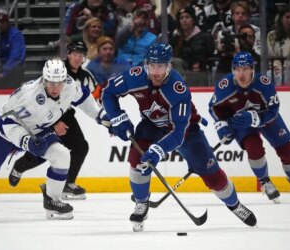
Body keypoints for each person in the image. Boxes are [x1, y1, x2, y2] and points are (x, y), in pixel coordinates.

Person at [102, 42, 257, 232]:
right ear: (146, 64)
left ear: (169, 66)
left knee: (213, 175)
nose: (156, 71)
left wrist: (159, 150)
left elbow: (178, 133)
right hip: (151, 126)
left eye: (161, 66)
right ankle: (141, 203)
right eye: (152, 65)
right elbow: (108, 92)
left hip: (186, 131)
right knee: (137, 158)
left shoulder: (178, 89)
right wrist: (117, 118)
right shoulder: (134, 76)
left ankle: (235, 205)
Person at [0, 59, 111, 219]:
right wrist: (25, 141)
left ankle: (52, 202)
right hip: (2, 133)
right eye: (51, 83)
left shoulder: (69, 85)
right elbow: (8, 122)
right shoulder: (28, 96)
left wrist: (102, 116)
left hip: (37, 129)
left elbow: (84, 98)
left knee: (62, 155)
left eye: (59, 83)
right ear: (44, 79)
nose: (56, 88)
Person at [208, 51, 290, 204]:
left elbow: (274, 110)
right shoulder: (224, 86)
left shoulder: (264, 84)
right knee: (254, 149)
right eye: (238, 69)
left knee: (287, 150)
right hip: (241, 122)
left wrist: (256, 118)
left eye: (245, 69)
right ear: (233, 70)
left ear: (252, 69)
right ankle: (265, 182)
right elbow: (213, 107)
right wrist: (222, 126)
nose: (242, 74)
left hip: (266, 118)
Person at [8, 41, 99, 200]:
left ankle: (67, 184)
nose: (78, 58)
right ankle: (20, 166)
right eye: (75, 54)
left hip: (67, 116)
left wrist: (103, 114)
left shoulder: (85, 76)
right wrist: (54, 123)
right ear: (68, 54)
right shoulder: (57, 68)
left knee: (81, 146)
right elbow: (42, 96)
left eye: (81, 55)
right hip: (45, 115)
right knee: (44, 152)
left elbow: (94, 95)